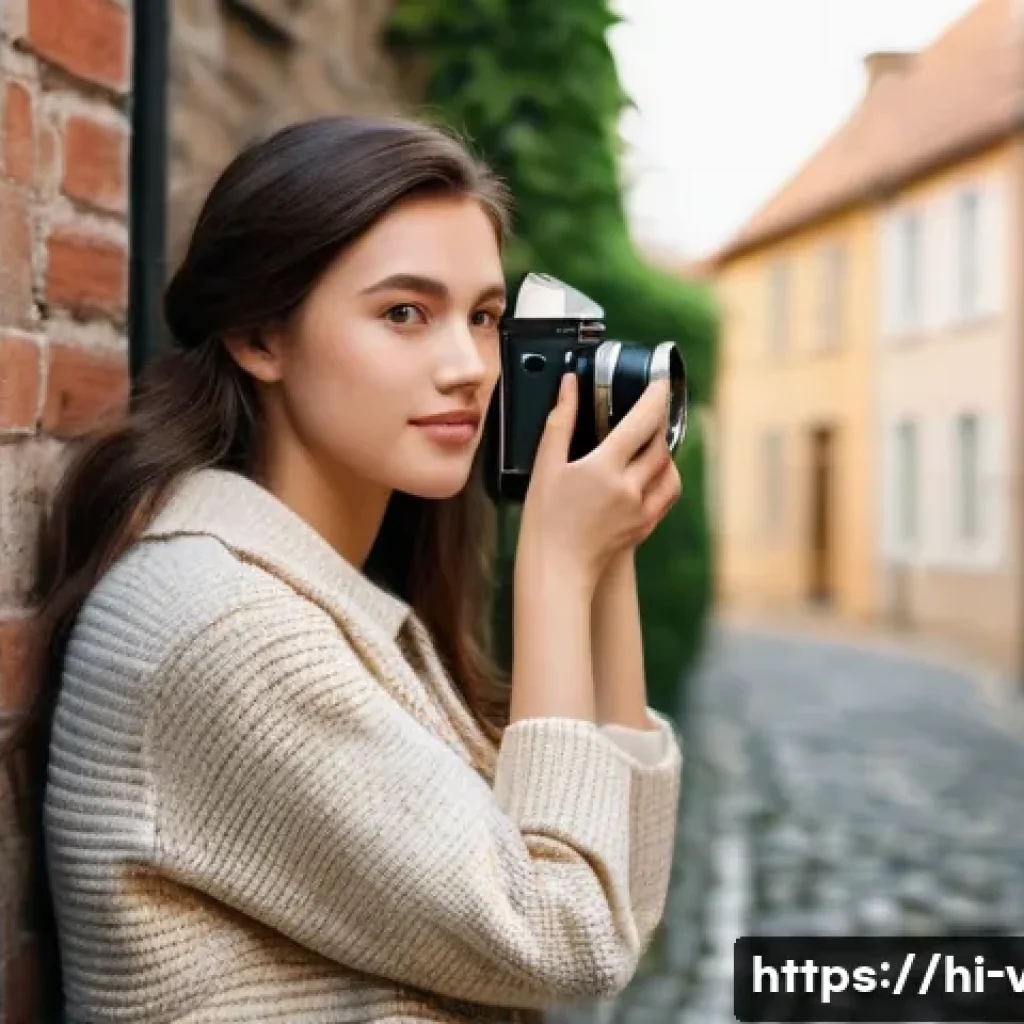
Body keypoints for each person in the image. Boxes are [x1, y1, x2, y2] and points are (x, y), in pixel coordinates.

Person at [28, 115, 683, 1023]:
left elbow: (615, 902)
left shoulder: (334, 598)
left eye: (485, 318)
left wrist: (606, 558)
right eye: (404, 313)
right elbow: (566, 940)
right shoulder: (221, 622)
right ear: (260, 337)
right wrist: (557, 568)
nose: (469, 367)